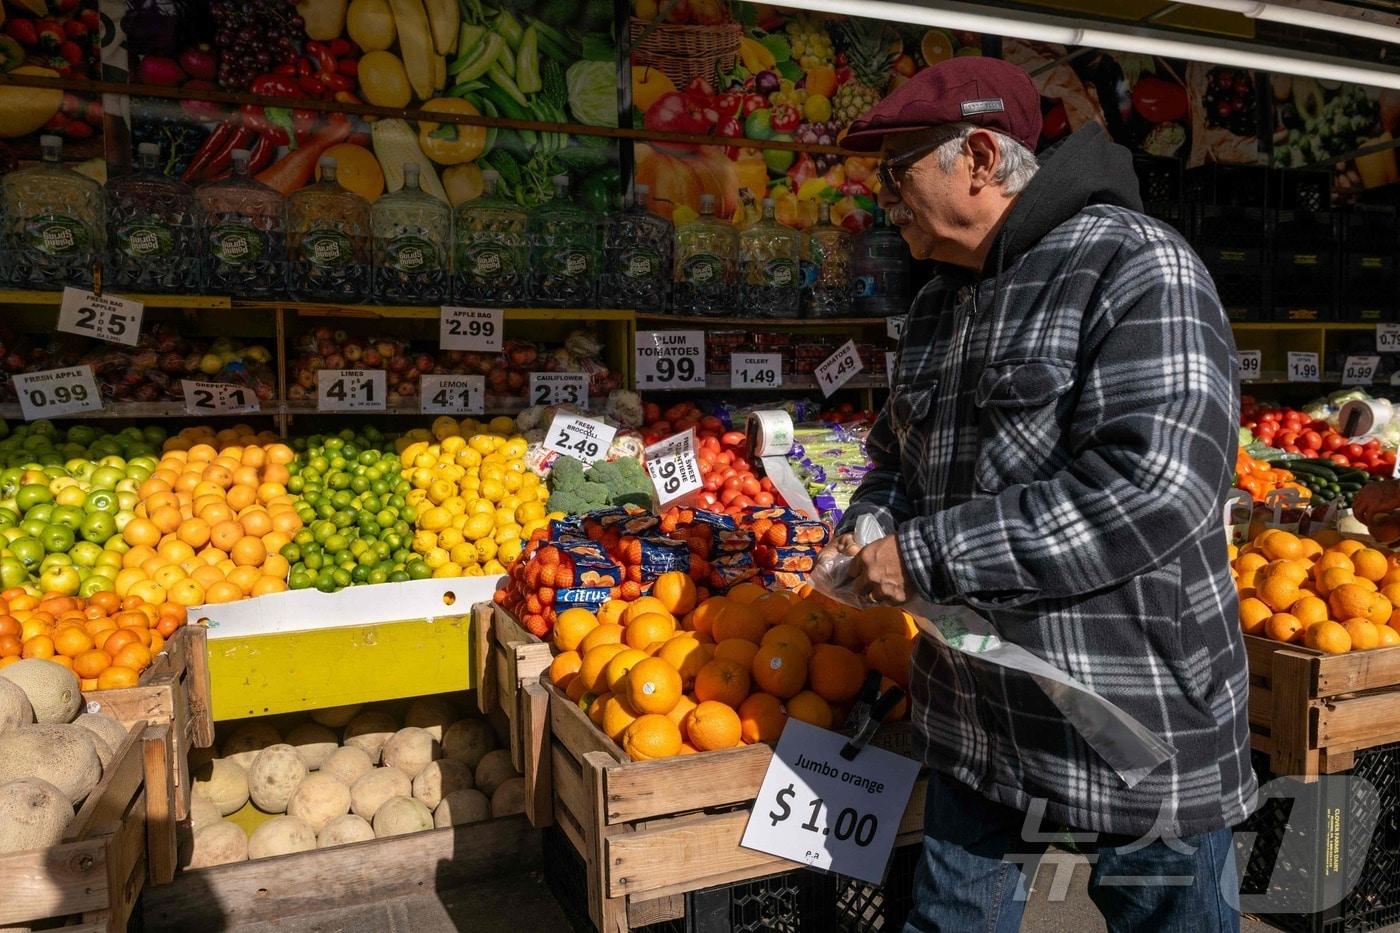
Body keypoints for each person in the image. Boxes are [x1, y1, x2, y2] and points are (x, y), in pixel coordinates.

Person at [836, 58, 1254, 932]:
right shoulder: (939, 306)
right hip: (976, 720)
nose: (883, 199)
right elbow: (891, 463)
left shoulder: (1136, 267)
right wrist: (869, 525)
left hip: (1128, 721)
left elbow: (1153, 488)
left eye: (896, 171)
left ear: (980, 158)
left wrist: (924, 555)